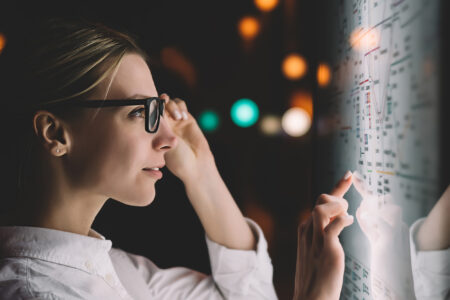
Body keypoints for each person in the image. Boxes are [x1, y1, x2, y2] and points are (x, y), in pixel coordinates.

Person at [0, 17, 354, 300]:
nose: (169, 139)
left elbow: (244, 294)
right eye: (142, 112)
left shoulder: (115, 269)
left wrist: (202, 171)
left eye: (161, 110)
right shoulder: (37, 291)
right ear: (55, 133)